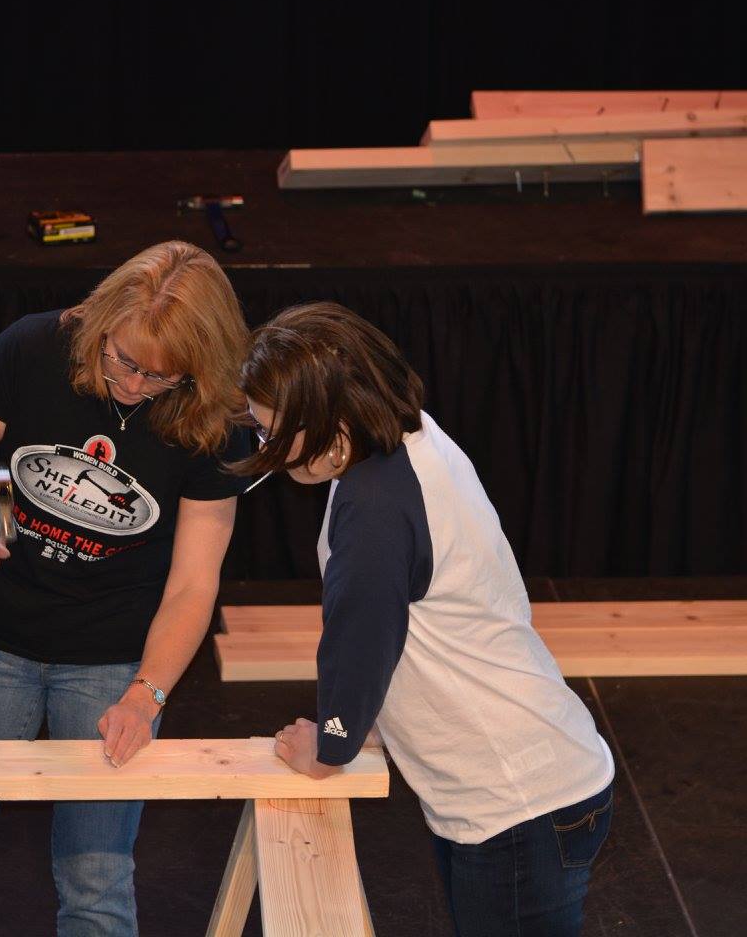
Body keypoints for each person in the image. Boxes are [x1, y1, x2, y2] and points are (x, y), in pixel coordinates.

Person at [0, 240, 253, 936]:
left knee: (96, 885)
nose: (133, 386)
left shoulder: (216, 418)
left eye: (161, 377)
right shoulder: (36, 348)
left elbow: (192, 584)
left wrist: (146, 694)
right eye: (123, 361)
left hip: (112, 660)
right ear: (102, 322)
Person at [239, 302, 615, 937]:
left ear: (332, 421)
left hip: (517, 806)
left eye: (272, 431)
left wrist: (331, 746)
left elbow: (360, 643)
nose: (265, 449)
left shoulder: (377, 507)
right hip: (527, 790)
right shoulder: (403, 440)